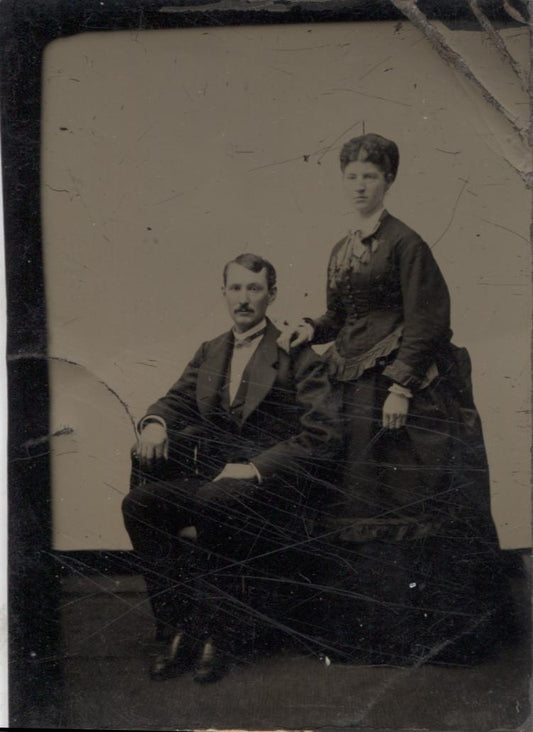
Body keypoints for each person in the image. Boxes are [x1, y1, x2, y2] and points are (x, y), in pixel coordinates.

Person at [277, 133, 515, 664]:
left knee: (403, 498)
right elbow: (339, 316)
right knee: (354, 495)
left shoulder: (408, 243)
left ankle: (421, 637)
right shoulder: (341, 247)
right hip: (349, 381)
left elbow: (429, 317)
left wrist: (402, 384)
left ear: (389, 181)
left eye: (370, 175)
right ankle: (363, 635)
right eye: (352, 175)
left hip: (395, 390)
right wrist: (309, 327)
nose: (360, 184)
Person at [122, 253, 340, 682]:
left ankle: (217, 635)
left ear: (271, 295)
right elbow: (174, 400)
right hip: (214, 485)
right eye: (236, 288)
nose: (244, 299)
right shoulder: (211, 350)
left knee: (213, 502)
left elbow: (325, 436)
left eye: (254, 289)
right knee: (140, 504)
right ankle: (179, 627)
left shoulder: (297, 355)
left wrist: (257, 468)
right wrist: (153, 424)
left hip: (271, 489)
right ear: (224, 293)